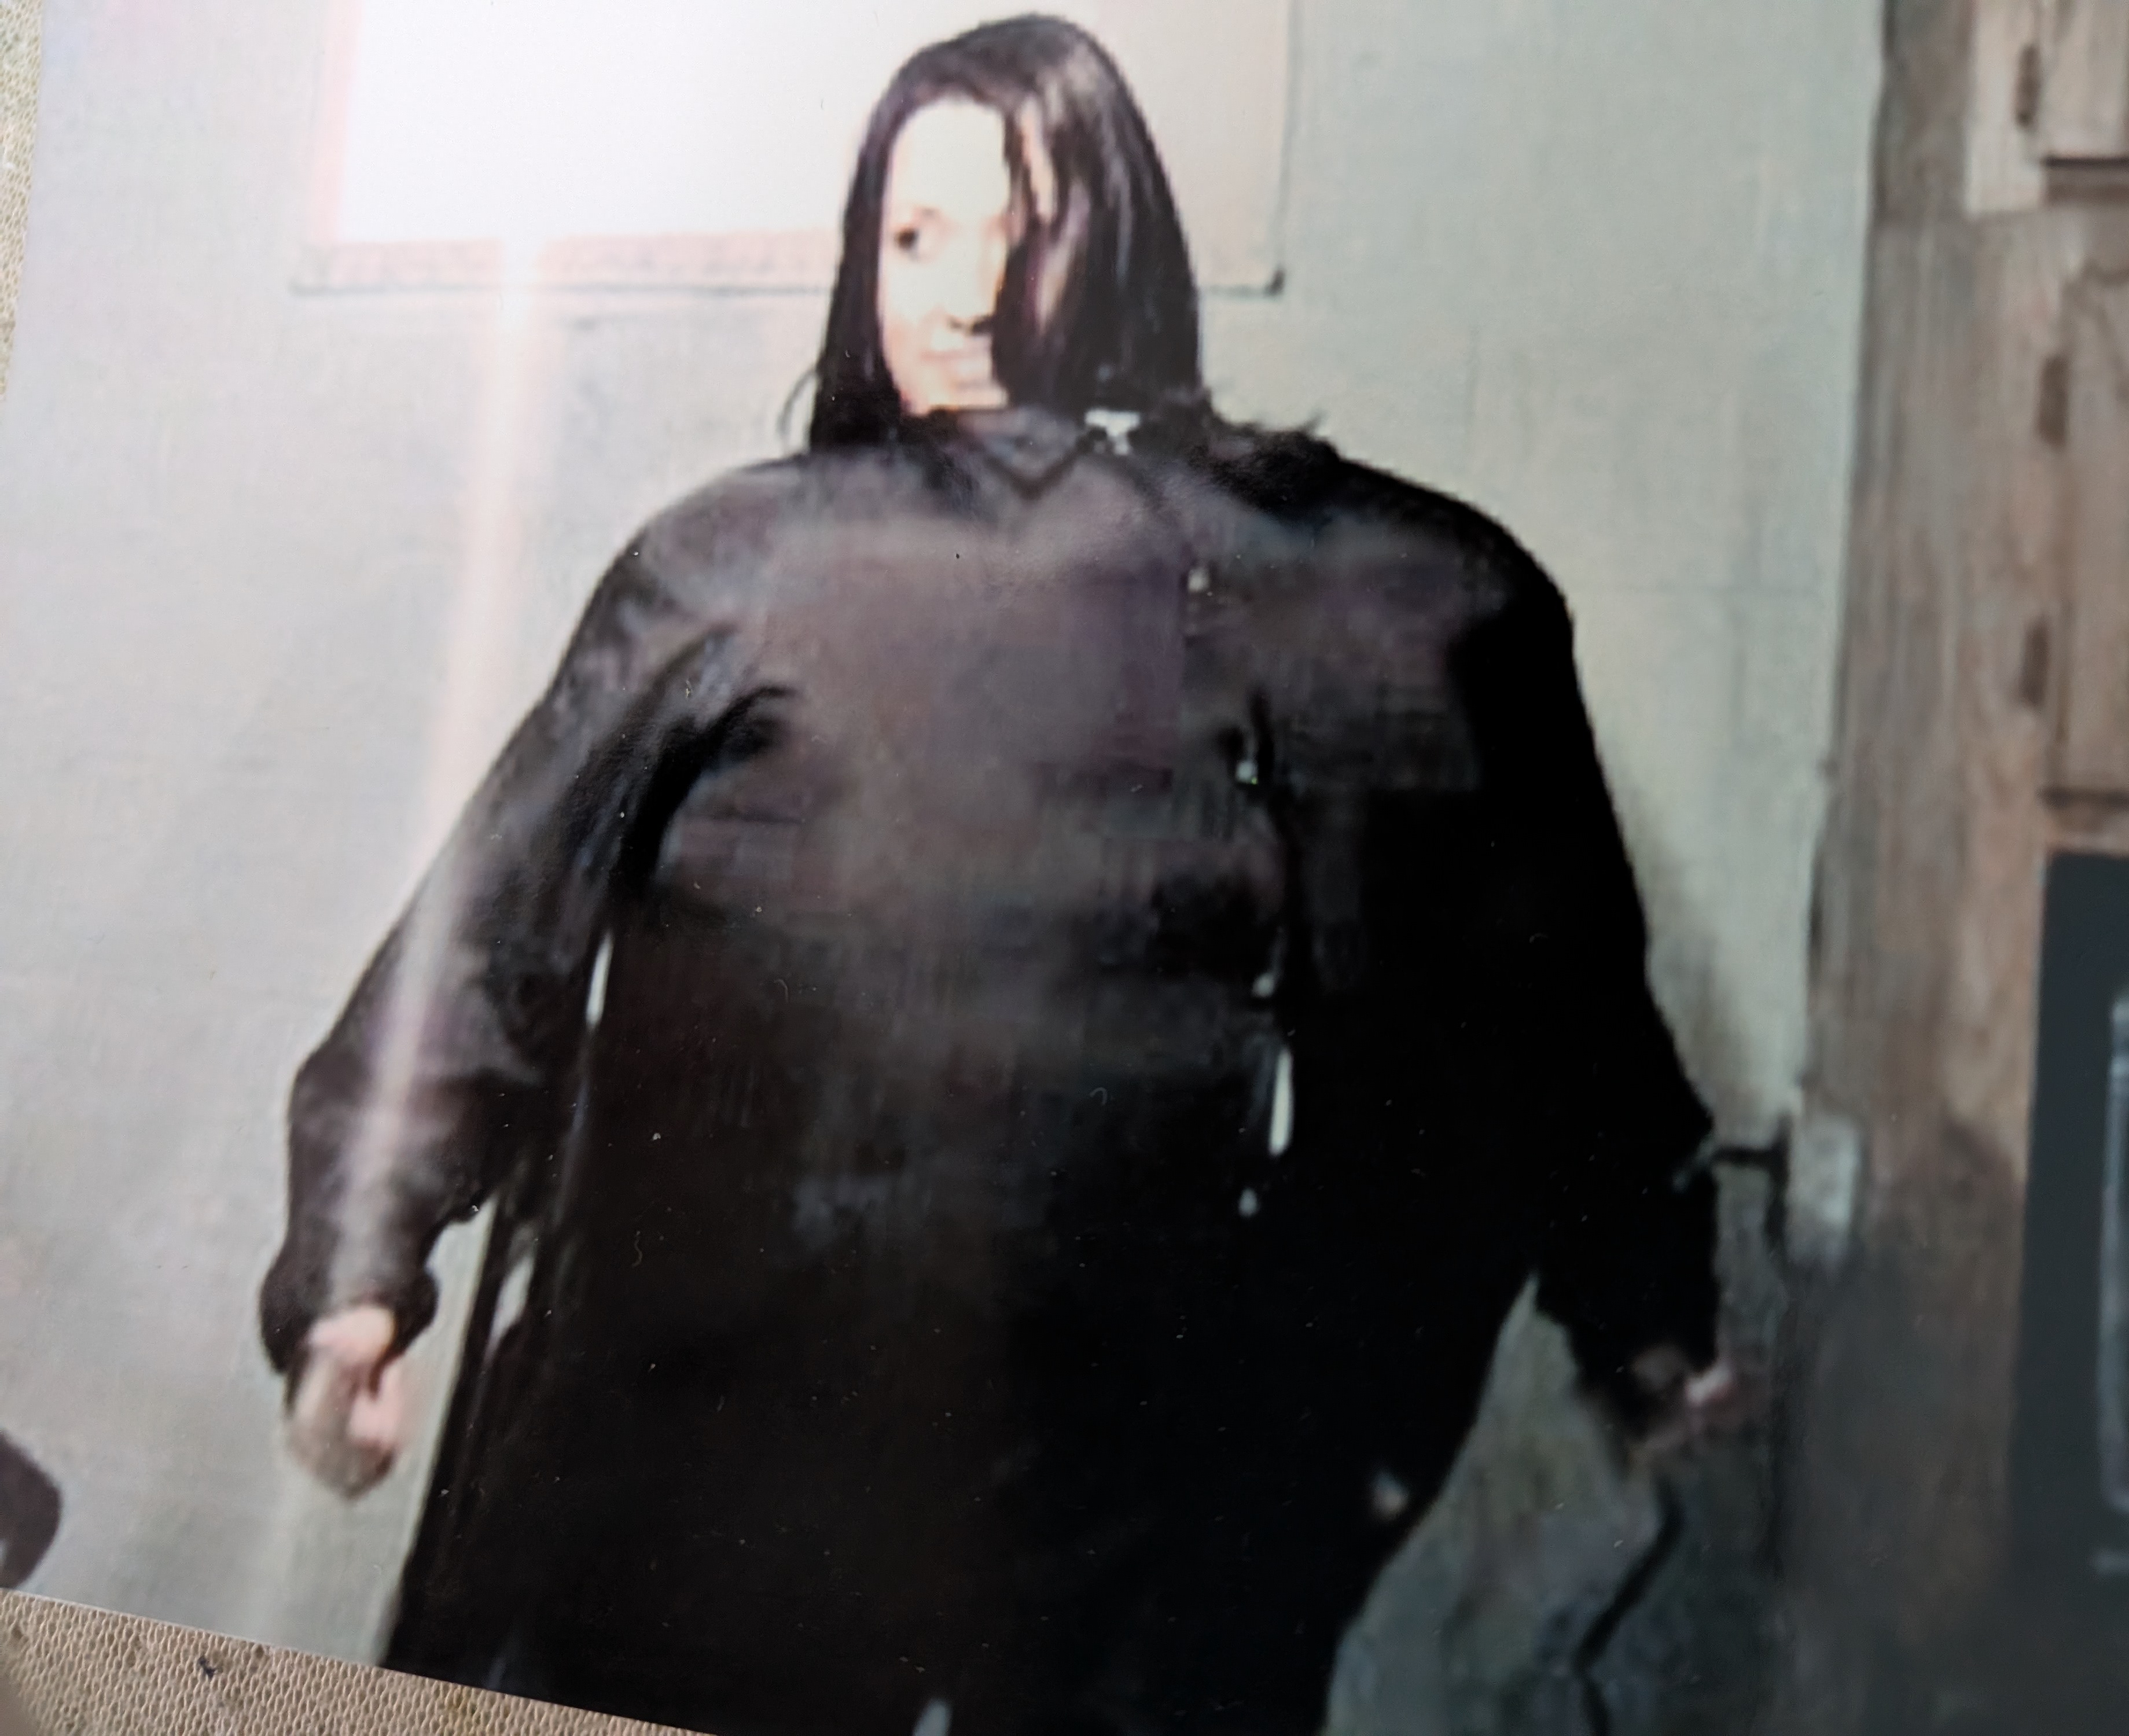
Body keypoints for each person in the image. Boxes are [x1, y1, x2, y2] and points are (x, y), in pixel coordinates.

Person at [260, 16, 1722, 1735]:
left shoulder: (1402, 600)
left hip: (1136, 1530)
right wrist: (356, 1281)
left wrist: (1644, 1300)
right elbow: (492, 932)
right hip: (724, 1486)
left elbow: (1557, 995)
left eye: (1020, 233)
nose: (961, 297)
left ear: (1124, 245)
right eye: (913, 235)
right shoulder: (743, 569)